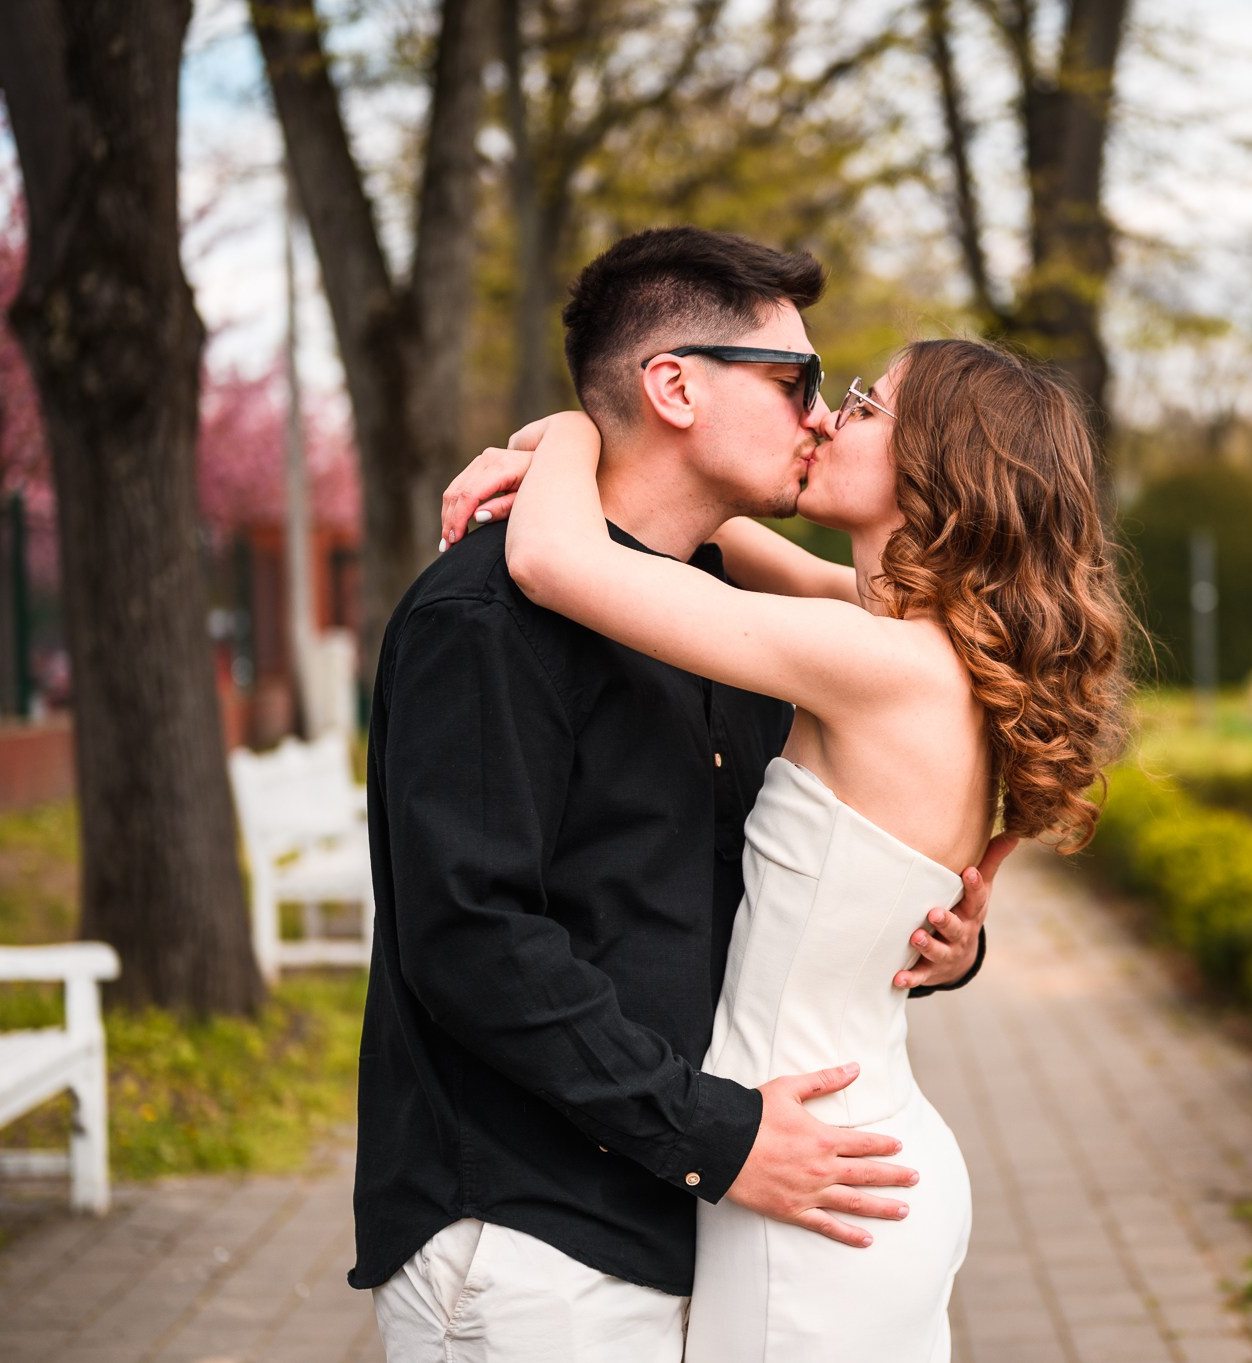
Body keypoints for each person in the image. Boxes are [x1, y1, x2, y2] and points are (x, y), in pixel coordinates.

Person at [355, 227, 1010, 1363]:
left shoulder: (752, 628)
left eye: (842, 398)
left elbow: (761, 897)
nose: (818, 414)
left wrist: (932, 933)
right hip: (535, 1242)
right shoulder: (485, 619)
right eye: (796, 380)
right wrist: (715, 1137)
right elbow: (471, 940)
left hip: (711, 1214)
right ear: (672, 386)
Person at [440, 333, 1132, 1359]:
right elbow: (715, 536)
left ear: (936, 466)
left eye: (865, 404)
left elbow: (554, 561)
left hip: (814, 1191)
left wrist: (581, 430)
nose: (826, 416)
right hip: (867, 1152)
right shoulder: (918, 645)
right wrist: (605, 449)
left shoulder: (876, 660)